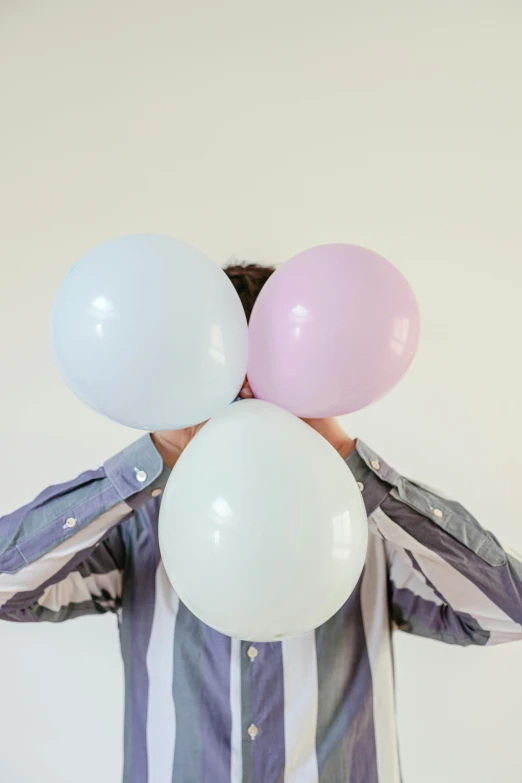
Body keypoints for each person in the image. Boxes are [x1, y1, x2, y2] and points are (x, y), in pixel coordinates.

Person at [1, 263, 521, 783]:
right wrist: (154, 455)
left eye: (268, 382)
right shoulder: (139, 526)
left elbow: (508, 613)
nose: (247, 403)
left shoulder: (367, 528)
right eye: (228, 383)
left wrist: (346, 456)